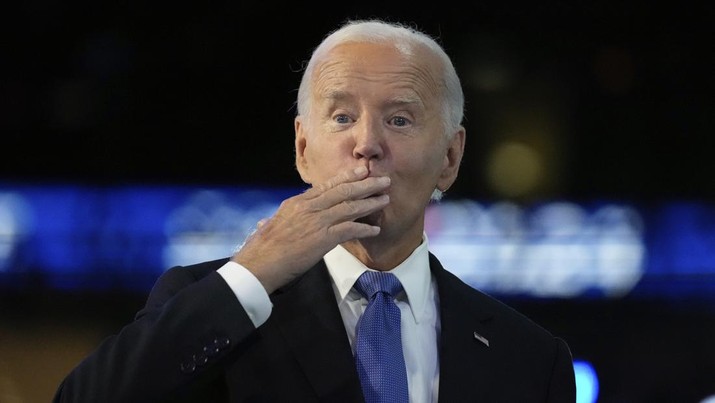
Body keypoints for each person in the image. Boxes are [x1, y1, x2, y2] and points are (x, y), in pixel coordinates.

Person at [53, 18, 576, 402]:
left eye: (398, 120)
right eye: (343, 116)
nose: (367, 143)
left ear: (450, 158)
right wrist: (253, 273)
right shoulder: (213, 306)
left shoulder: (530, 357)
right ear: (303, 149)